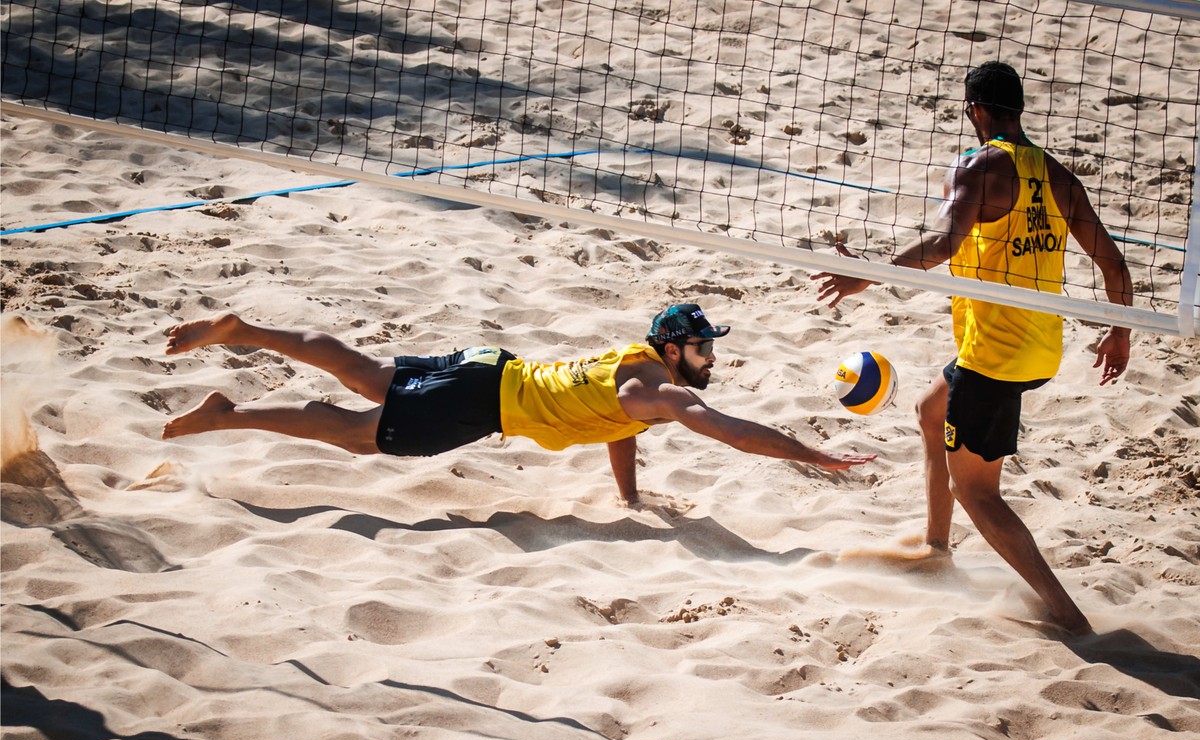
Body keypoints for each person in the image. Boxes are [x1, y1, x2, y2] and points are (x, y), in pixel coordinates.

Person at [811, 61, 1133, 634]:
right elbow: (1113, 262)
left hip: (995, 358)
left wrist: (869, 276)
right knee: (930, 410)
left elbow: (941, 242)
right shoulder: (1058, 176)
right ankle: (937, 548)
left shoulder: (979, 164)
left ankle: (1071, 618)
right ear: (1018, 110)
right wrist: (1120, 330)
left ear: (975, 112)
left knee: (978, 493)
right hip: (1040, 348)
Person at [162, 303, 876, 504]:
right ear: (671, 353)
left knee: (364, 371)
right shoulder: (655, 390)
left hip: (489, 367)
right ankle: (227, 415)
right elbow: (732, 433)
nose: (711, 358)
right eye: (702, 349)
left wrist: (629, 499)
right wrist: (812, 453)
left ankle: (244, 330)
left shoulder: (632, 372)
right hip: (485, 404)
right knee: (355, 433)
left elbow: (615, 426)